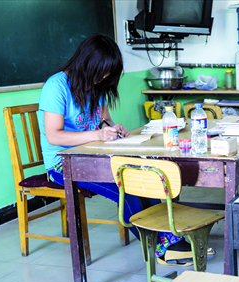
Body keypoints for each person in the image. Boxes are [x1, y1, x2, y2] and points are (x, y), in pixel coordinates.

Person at [38, 33, 198, 265]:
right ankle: (159, 246)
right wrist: (98, 134)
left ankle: (168, 237)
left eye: (108, 73)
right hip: (63, 164)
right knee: (128, 187)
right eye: (102, 72)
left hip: (95, 157)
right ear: (87, 64)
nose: (104, 77)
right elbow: (54, 136)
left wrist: (112, 128)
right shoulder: (56, 86)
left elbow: (104, 120)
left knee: (145, 177)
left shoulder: (95, 84)